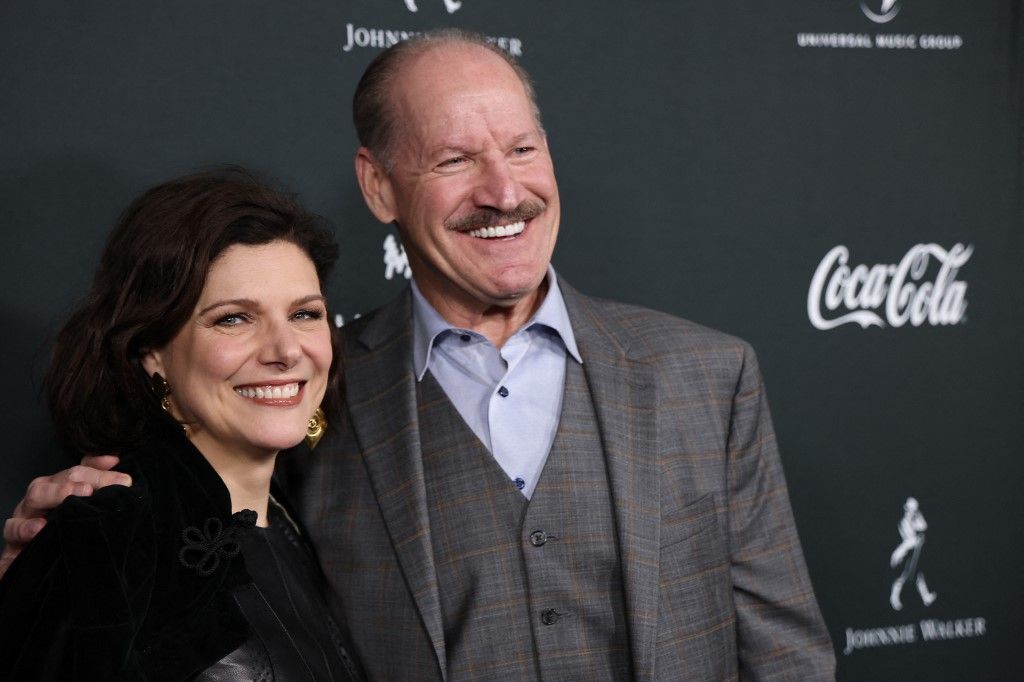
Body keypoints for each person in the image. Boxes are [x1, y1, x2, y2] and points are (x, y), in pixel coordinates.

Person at [3, 30, 835, 680]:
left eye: (521, 148)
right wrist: (71, 543)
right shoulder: (319, 391)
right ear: (378, 186)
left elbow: (786, 658)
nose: (504, 191)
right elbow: (194, 541)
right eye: (454, 159)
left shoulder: (706, 377)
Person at [0, 168, 363, 681]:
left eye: (305, 314)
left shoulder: (294, 518)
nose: (286, 352)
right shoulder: (110, 536)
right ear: (153, 354)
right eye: (234, 318)